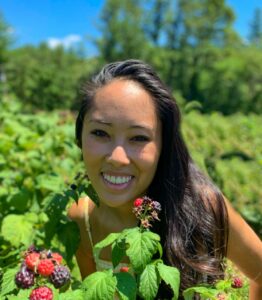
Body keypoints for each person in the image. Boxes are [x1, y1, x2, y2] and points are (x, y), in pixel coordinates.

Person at [68, 59, 262, 299]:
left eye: (138, 138)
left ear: (163, 146)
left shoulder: (203, 208)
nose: (117, 158)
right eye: (100, 133)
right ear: (80, 138)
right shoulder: (81, 220)